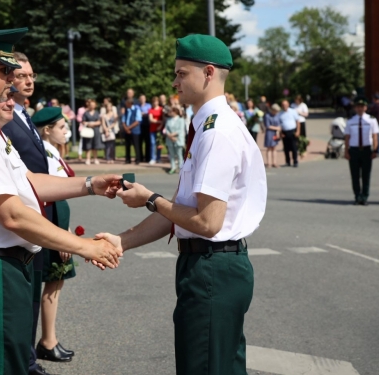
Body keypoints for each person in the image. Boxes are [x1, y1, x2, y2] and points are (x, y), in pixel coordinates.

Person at [0, 28, 121, 375]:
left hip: (2, 267)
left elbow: (26, 182)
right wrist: (84, 247)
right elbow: (12, 214)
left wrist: (91, 184)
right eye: (5, 72)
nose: (12, 82)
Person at [96, 34, 267, 375]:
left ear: (207, 73)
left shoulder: (216, 131)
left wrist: (149, 198)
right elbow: (181, 212)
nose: (174, 82)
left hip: (212, 268)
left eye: (181, 73)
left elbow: (206, 222)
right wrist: (122, 241)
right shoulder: (206, 126)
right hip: (211, 266)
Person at [0, 51, 53, 375]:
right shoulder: (7, 119)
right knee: (24, 299)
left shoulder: (24, 115)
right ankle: (25, 362)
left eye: (31, 75)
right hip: (23, 222)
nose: (28, 80)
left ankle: (28, 359)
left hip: (38, 218)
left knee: (33, 296)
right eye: (21, 76)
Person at [30, 107, 77, 364]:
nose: (66, 132)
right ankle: (47, 341)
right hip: (51, 219)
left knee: (57, 281)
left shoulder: (52, 152)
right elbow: (49, 195)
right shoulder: (45, 156)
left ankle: (49, 338)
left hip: (58, 218)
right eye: (61, 127)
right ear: (47, 130)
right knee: (54, 278)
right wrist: (60, 231)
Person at [344, 96, 379, 206]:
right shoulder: (350, 121)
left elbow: (375, 136)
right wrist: (346, 151)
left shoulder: (372, 120)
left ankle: (364, 197)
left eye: (362, 106)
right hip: (354, 150)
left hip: (366, 150)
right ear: (355, 108)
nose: (360, 109)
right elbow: (347, 137)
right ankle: (357, 196)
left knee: (366, 175)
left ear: (366, 108)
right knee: (355, 175)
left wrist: (375, 150)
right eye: (358, 107)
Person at [278, 99, 300, 167]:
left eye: (285, 104)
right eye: (283, 105)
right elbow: (279, 124)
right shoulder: (280, 114)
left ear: (288, 105)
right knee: (286, 148)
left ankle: (295, 161)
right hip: (284, 132)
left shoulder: (293, 111)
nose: (284, 106)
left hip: (292, 131)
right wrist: (280, 133)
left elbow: (298, 121)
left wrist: (298, 131)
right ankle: (288, 161)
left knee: (294, 147)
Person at [164, 105, 186, 174]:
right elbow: (166, 129)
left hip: (178, 139)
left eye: (171, 111)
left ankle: (181, 168)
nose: (169, 112)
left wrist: (173, 135)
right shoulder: (168, 120)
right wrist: (170, 136)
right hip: (170, 139)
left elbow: (180, 130)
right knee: (172, 155)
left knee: (179, 155)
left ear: (175, 112)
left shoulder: (181, 119)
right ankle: (173, 167)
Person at [81, 99, 103, 165]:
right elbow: (83, 121)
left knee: (95, 145)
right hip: (88, 130)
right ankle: (88, 159)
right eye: (91, 105)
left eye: (93, 105)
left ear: (95, 105)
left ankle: (95, 158)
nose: (92, 106)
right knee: (88, 145)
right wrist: (88, 124)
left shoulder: (97, 112)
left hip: (96, 130)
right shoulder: (86, 113)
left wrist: (93, 124)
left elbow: (100, 121)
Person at [122, 97, 142, 164]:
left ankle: (138, 159)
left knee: (136, 145)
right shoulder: (126, 110)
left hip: (135, 131)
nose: (126, 105)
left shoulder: (136, 110)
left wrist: (129, 128)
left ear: (130, 103)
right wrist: (125, 128)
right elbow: (123, 120)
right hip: (127, 130)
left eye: (127, 104)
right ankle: (128, 159)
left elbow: (137, 121)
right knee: (127, 145)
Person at [263, 103, 282, 168]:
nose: (276, 112)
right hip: (269, 133)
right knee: (269, 148)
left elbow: (279, 124)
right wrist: (277, 128)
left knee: (274, 147)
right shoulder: (267, 116)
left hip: (275, 133)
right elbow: (267, 126)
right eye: (275, 111)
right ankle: (269, 163)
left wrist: (278, 131)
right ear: (273, 110)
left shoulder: (277, 115)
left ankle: (274, 162)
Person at [148, 96, 163, 164]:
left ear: (158, 102)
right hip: (152, 129)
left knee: (159, 144)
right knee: (152, 143)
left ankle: (158, 158)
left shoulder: (161, 109)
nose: (155, 103)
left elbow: (163, 120)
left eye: (156, 101)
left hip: (159, 129)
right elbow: (151, 120)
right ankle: (152, 158)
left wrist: (160, 125)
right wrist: (159, 121)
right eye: (153, 102)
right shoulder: (150, 110)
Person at [138, 94, 151, 162]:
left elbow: (149, 113)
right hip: (139, 126)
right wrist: (144, 114)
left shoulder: (149, 105)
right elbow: (137, 114)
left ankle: (147, 158)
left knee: (147, 142)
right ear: (139, 99)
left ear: (145, 99)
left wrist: (142, 114)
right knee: (139, 142)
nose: (142, 99)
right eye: (141, 98)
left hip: (147, 125)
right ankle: (140, 158)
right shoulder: (137, 106)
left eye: (143, 98)